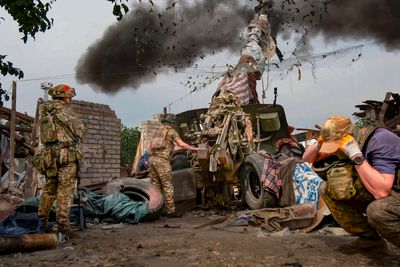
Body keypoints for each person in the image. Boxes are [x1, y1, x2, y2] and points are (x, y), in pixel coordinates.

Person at [303, 115, 400, 248]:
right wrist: (319, 143)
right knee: (327, 188)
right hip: (386, 190)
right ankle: (369, 239)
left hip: (392, 191)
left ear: (348, 136)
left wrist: (356, 155)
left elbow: (381, 192)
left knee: (377, 211)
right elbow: (307, 159)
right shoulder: (343, 141)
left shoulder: (380, 140)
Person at [37, 84, 87, 240]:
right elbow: (80, 130)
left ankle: (42, 223)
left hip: (49, 156)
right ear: (64, 96)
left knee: (49, 189)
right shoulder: (63, 110)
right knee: (64, 192)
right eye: (69, 96)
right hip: (65, 155)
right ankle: (63, 227)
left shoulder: (45, 110)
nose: (70, 98)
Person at [148, 113, 197, 218]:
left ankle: (157, 211)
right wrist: (194, 149)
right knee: (167, 186)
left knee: (156, 186)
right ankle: (170, 211)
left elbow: (149, 147)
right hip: (162, 161)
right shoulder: (171, 131)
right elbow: (181, 144)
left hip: (152, 160)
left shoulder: (156, 132)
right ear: (172, 122)